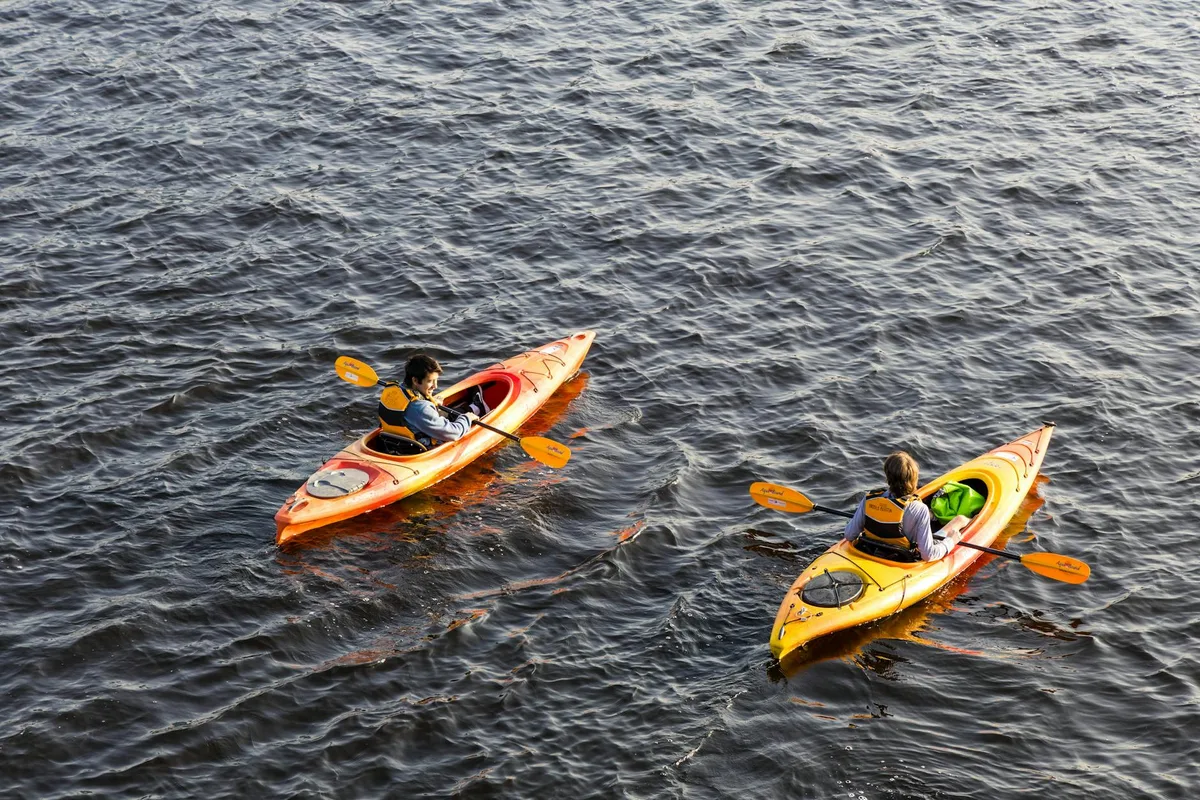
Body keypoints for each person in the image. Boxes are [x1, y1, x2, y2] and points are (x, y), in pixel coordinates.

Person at [842, 451, 970, 561]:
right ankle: (967, 520)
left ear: (887, 477)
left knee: (930, 517)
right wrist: (950, 542)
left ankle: (935, 516)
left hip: (871, 549)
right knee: (959, 520)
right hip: (903, 558)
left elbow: (849, 535)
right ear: (913, 479)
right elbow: (928, 555)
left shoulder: (869, 499)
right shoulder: (920, 509)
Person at [377, 354, 479, 450]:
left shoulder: (394, 390)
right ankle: (476, 408)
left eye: (436, 380)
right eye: (430, 381)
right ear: (415, 380)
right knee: (459, 416)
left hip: (392, 442)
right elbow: (454, 433)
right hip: (417, 449)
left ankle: (474, 408)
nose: (435, 386)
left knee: (445, 412)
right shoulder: (421, 408)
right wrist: (467, 418)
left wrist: (431, 402)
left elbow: (414, 410)